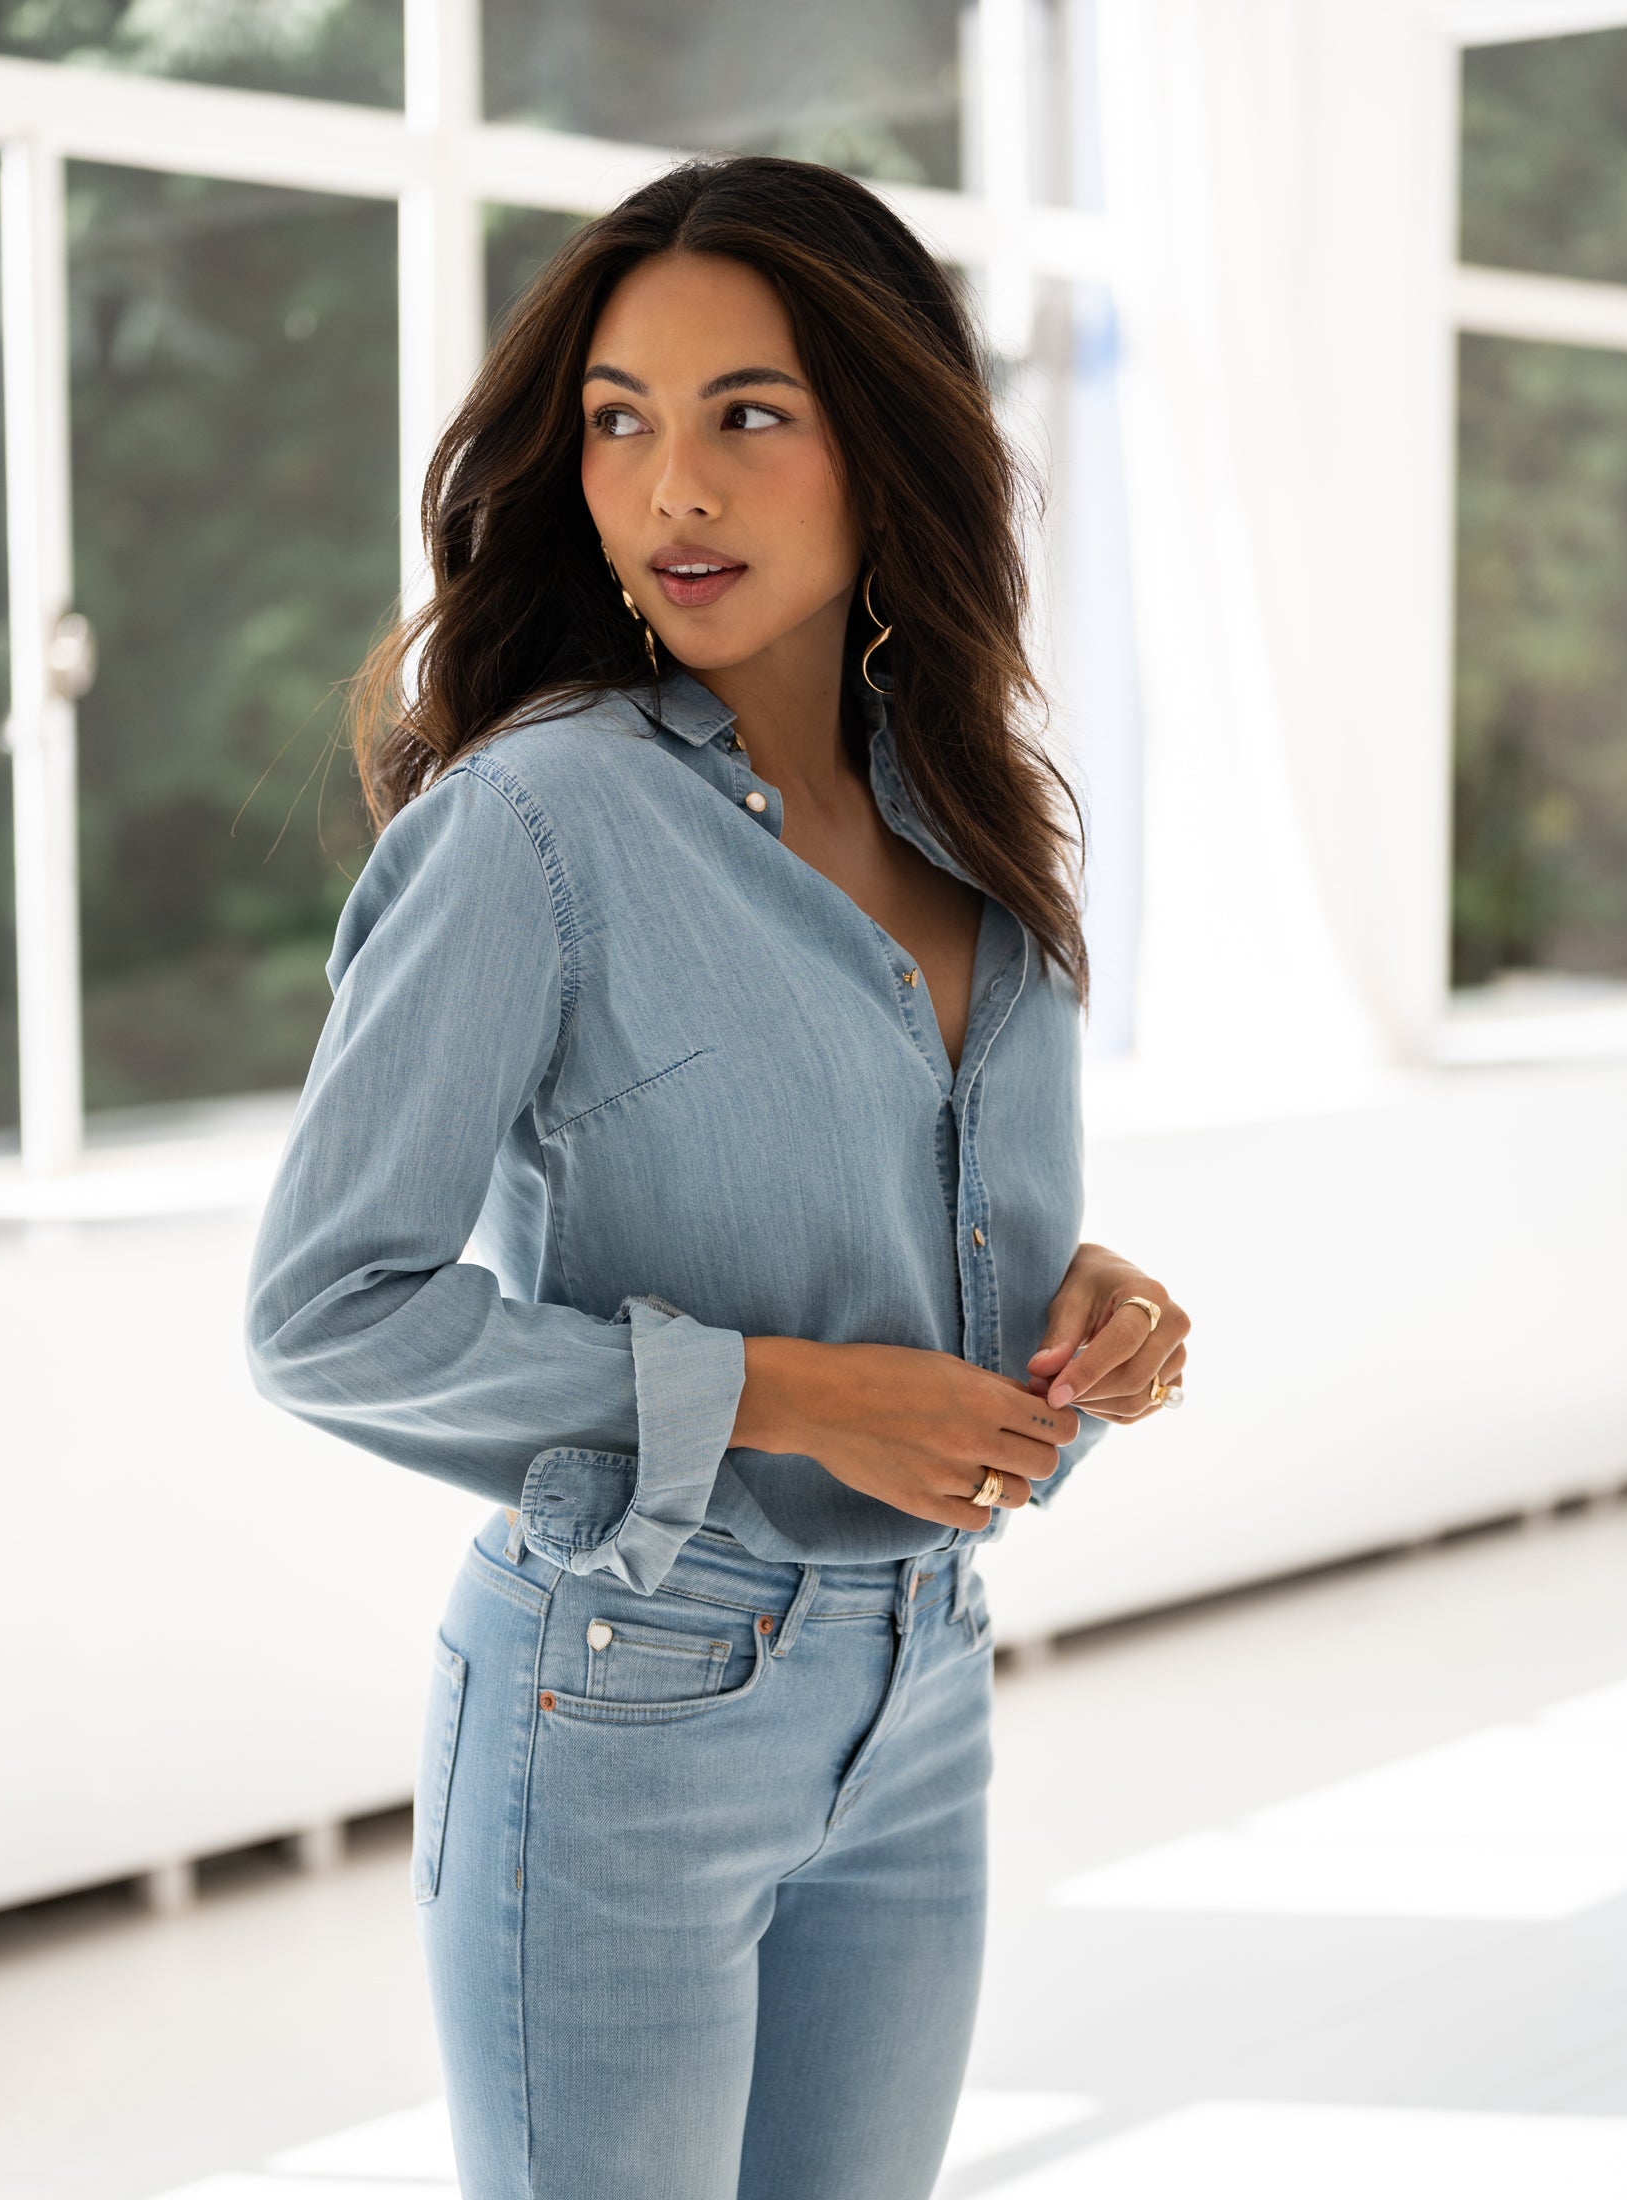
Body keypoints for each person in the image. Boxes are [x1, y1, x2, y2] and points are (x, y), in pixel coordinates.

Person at [244, 152, 1190, 2200]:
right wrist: (794, 1387)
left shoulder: (976, 814)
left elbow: (909, 1227)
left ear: (886, 444)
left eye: (747, 416)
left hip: (923, 1683)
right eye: (617, 420)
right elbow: (326, 1311)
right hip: (622, 1709)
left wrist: (1070, 1310)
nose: (671, 487)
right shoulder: (537, 822)